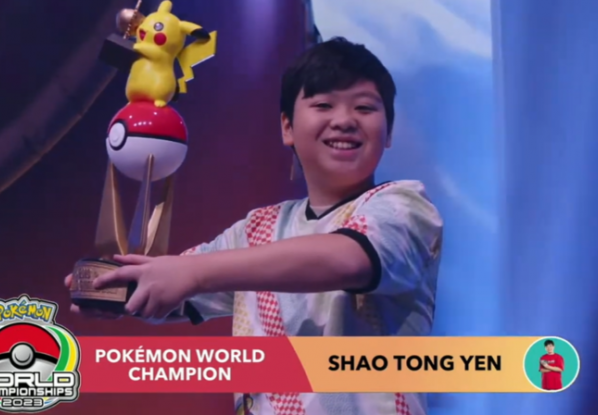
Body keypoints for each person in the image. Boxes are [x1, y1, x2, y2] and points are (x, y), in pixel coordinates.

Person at [66, 37, 444, 415]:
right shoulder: (256, 229)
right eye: (323, 105)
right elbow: (175, 289)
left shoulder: (404, 206)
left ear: (388, 132)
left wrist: (193, 273)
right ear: (287, 127)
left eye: (364, 107)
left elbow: (348, 258)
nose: (344, 120)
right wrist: (115, 289)